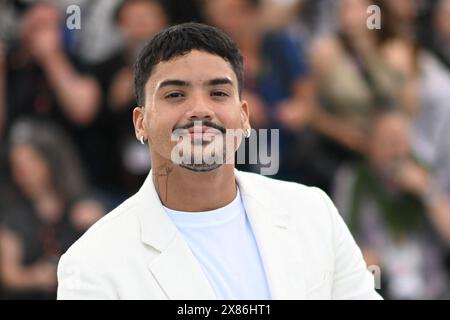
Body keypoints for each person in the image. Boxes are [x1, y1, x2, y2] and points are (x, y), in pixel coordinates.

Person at [57, 23, 381, 300]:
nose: (200, 109)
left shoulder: (313, 212)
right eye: (175, 95)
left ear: (243, 117)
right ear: (140, 122)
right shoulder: (92, 263)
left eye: (218, 93)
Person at [0, 118, 106, 299]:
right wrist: (35, 277)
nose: (23, 174)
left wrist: (98, 224)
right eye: (17, 167)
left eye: (30, 164)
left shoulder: (83, 203)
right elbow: (9, 274)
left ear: (50, 161)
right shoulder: (13, 215)